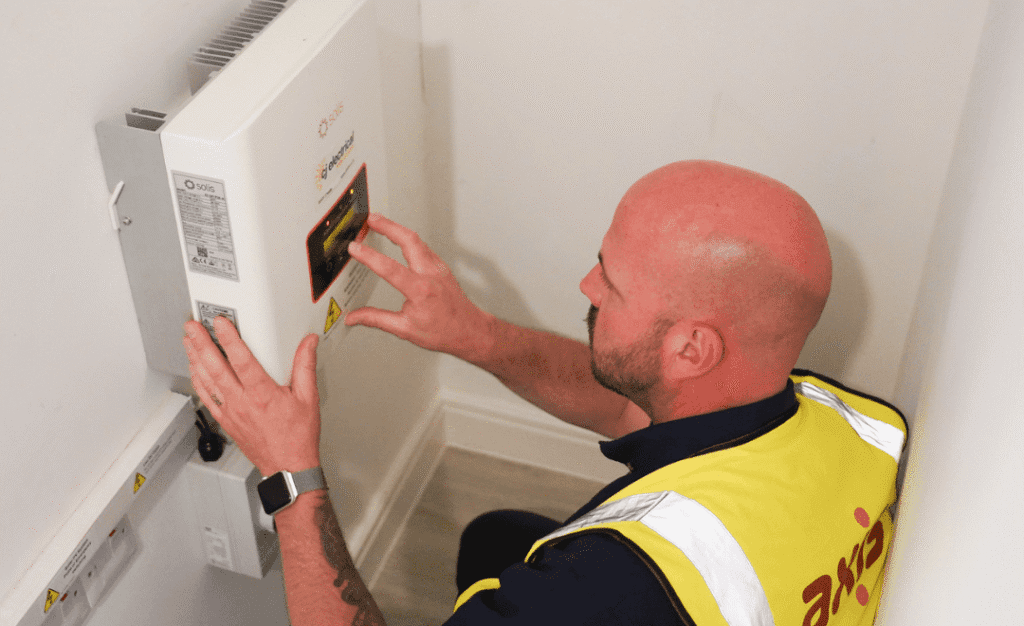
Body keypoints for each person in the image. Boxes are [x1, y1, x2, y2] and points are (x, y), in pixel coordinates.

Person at [183, 160, 907, 626]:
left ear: (692, 347)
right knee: (497, 538)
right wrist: (479, 336)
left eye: (610, 282)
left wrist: (290, 475)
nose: (587, 287)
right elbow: (631, 404)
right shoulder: (846, 420)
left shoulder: (605, 587)